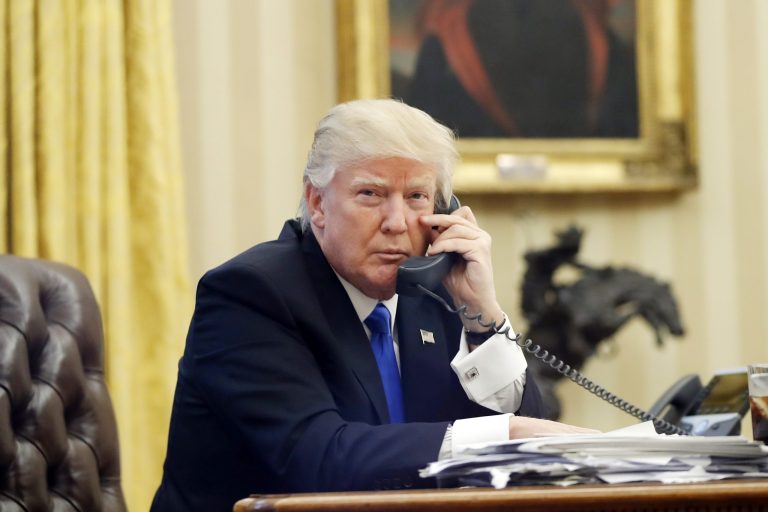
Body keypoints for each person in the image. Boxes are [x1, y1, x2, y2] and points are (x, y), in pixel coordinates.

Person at [151, 99, 595, 511]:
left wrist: (484, 317)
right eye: (371, 195)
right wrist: (504, 436)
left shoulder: (436, 292)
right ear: (317, 202)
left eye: (417, 197)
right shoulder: (250, 295)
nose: (398, 223)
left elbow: (533, 452)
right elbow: (320, 460)